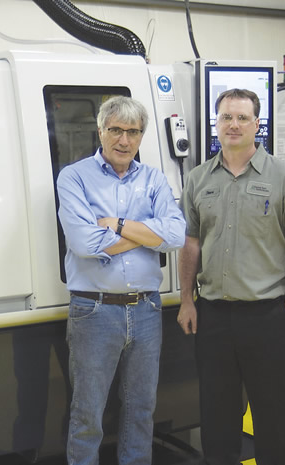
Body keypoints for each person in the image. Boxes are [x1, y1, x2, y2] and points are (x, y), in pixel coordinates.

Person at [177, 88, 285, 465]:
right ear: (217, 124)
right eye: (226, 117)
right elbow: (191, 244)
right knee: (217, 417)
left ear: (257, 124)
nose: (234, 124)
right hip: (212, 318)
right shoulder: (198, 179)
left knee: (276, 421)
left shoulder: (283, 176)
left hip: (267, 316)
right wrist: (188, 300)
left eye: (242, 118)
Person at [56, 95, 186, 465]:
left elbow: (176, 236)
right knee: (87, 415)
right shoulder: (74, 177)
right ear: (101, 131)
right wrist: (148, 234)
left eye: (132, 132)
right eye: (115, 130)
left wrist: (118, 224)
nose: (124, 140)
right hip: (94, 312)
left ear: (142, 136)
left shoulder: (154, 178)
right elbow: (83, 242)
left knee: (141, 411)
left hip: (146, 309)